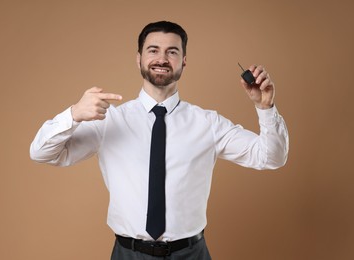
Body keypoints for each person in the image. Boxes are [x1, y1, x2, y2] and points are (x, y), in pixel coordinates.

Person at [30, 21, 289, 260]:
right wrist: (73, 114)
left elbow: (271, 157)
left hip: (191, 253)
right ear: (139, 59)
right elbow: (42, 153)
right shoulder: (109, 121)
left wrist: (265, 108)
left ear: (184, 61)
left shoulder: (208, 123)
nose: (162, 59)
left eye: (172, 52)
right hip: (128, 253)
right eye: (153, 50)